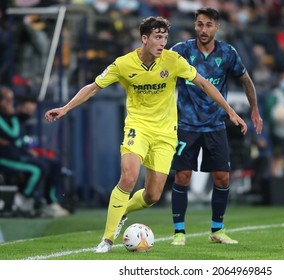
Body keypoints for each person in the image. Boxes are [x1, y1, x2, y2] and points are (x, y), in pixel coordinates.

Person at [44, 16, 247, 253]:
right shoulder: (123, 64)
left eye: (165, 37)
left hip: (165, 135)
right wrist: (65, 108)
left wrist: (230, 111)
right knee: (129, 177)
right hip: (137, 128)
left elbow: (203, 83)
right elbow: (93, 87)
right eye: (158, 37)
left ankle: (124, 211)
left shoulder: (173, 60)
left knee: (152, 196)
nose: (163, 43)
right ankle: (107, 239)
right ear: (144, 38)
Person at [168, 7, 262, 246]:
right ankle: (179, 232)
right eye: (199, 24)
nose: (203, 29)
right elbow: (163, 77)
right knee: (182, 176)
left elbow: (246, 80)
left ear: (217, 27)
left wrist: (254, 109)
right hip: (187, 125)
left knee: (222, 178)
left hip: (215, 125)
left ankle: (217, 230)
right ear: (195, 25)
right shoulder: (181, 51)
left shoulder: (228, 53)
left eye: (208, 25)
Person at [0, 86, 69, 217]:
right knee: (38, 168)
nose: (10, 104)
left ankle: (50, 202)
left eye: (11, 100)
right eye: (7, 100)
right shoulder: (8, 117)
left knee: (54, 165)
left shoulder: (10, 117)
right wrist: (14, 115)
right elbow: (13, 134)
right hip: (5, 159)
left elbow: (14, 135)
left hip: (16, 155)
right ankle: (22, 200)